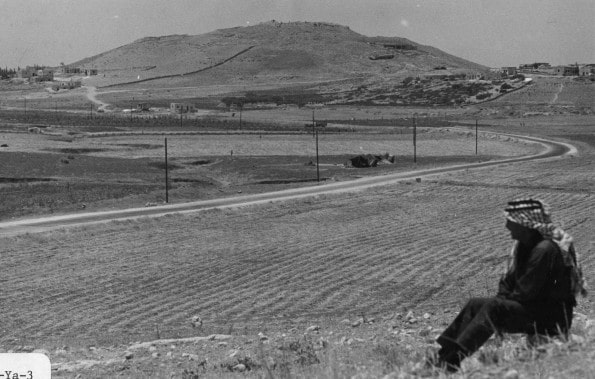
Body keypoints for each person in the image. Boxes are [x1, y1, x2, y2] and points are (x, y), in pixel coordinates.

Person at [428, 198, 585, 372]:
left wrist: (503, 299)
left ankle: (452, 360)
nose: (507, 227)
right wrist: (504, 297)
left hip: (551, 318)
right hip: (534, 309)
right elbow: (508, 283)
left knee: (494, 307)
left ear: (526, 225)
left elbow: (526, 291)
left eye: (511, 222)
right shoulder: (525, 247)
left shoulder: (544, 250)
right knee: (475, 304)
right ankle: (443, 355)